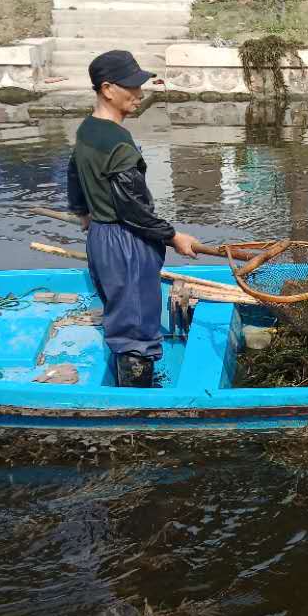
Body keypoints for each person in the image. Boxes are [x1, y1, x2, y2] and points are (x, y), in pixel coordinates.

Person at [67, 50, 199, 388]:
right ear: (108, 89)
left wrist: (83, 212)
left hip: (100, 238)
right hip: (126, 242)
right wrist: (173, 236)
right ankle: (139, 410)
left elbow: (73, 171)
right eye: (132, 87)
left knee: (123, 313)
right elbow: (134, 210)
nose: (140, 94)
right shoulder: (118, 142)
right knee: (137, 328)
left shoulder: (87, 129)